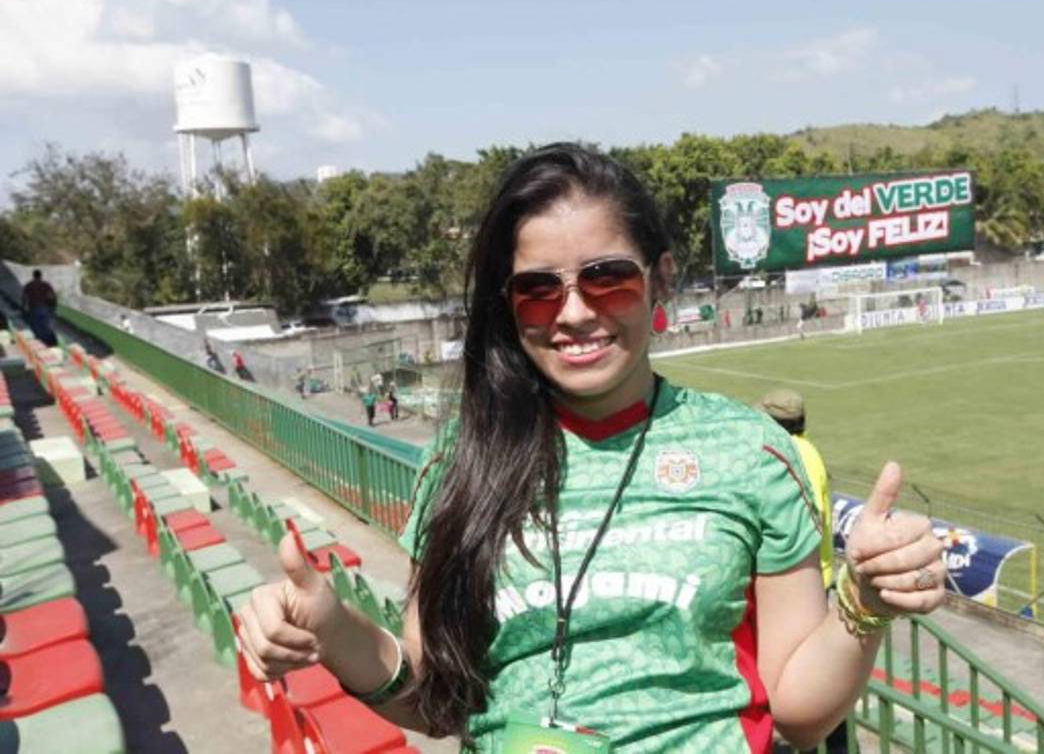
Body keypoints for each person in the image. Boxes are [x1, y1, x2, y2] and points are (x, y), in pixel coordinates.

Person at [236, 144, 945, 753]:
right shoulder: (461, 461)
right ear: (508, 309)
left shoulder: (752, 453)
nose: (574, 312)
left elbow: (797, 710)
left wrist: (863, 602)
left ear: (661, 279)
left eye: (607, 277)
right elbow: (436, 698)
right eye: (538, 290)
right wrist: (332, 629)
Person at [759, 389, 846, 754]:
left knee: (797, 681)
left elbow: (802, 522)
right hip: (818, 574)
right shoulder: (808, 450)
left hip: (802, 579)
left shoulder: (791, 456)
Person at [21, 269, 58, 347]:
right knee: (46, 327)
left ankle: (40, 346)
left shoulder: (28, 285)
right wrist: (53, 308)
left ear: (33, 276)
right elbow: (52, 297)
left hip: (33, 309)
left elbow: (24, 298)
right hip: (44, 309)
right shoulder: (46, 285)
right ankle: (48, 345)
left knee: (36, 329)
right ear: (41, 276)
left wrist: (24, 308)